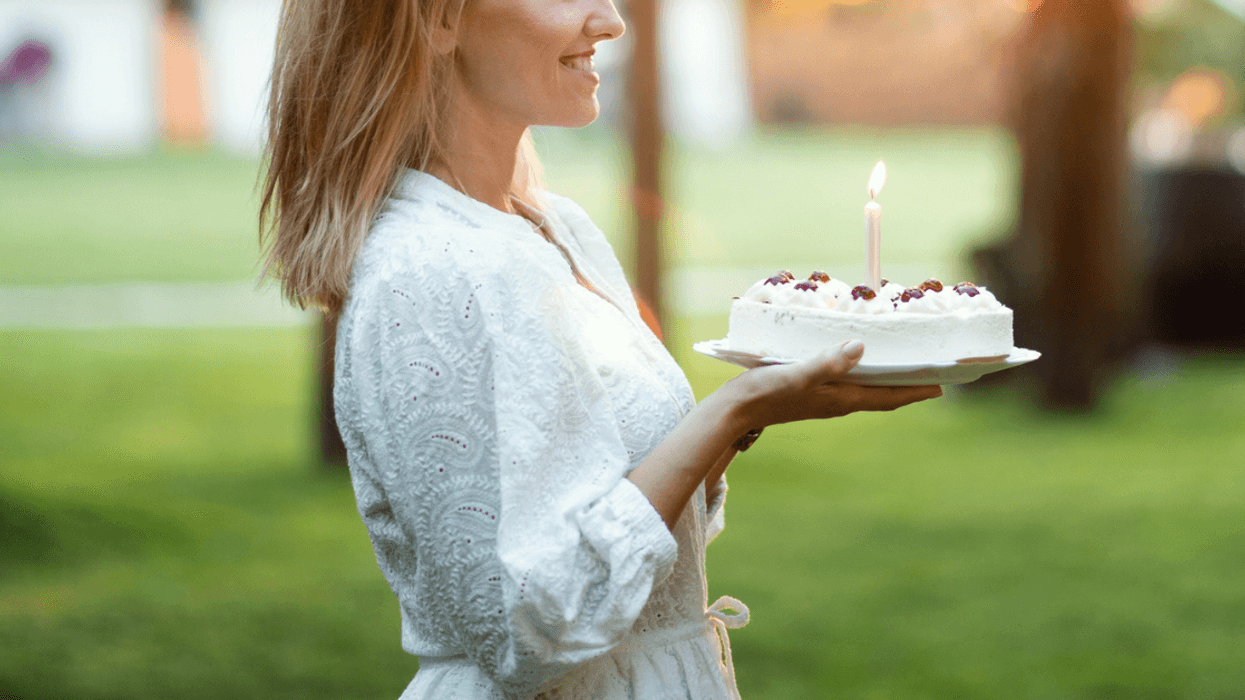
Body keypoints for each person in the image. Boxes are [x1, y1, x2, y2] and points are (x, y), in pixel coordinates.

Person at [259, 0, 941, 697]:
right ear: (437, 20)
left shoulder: (557, 227)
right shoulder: (424, 271)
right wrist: (730, 411)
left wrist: (751, 413)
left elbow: (621, 531)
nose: (611, 21)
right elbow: (521, 633)